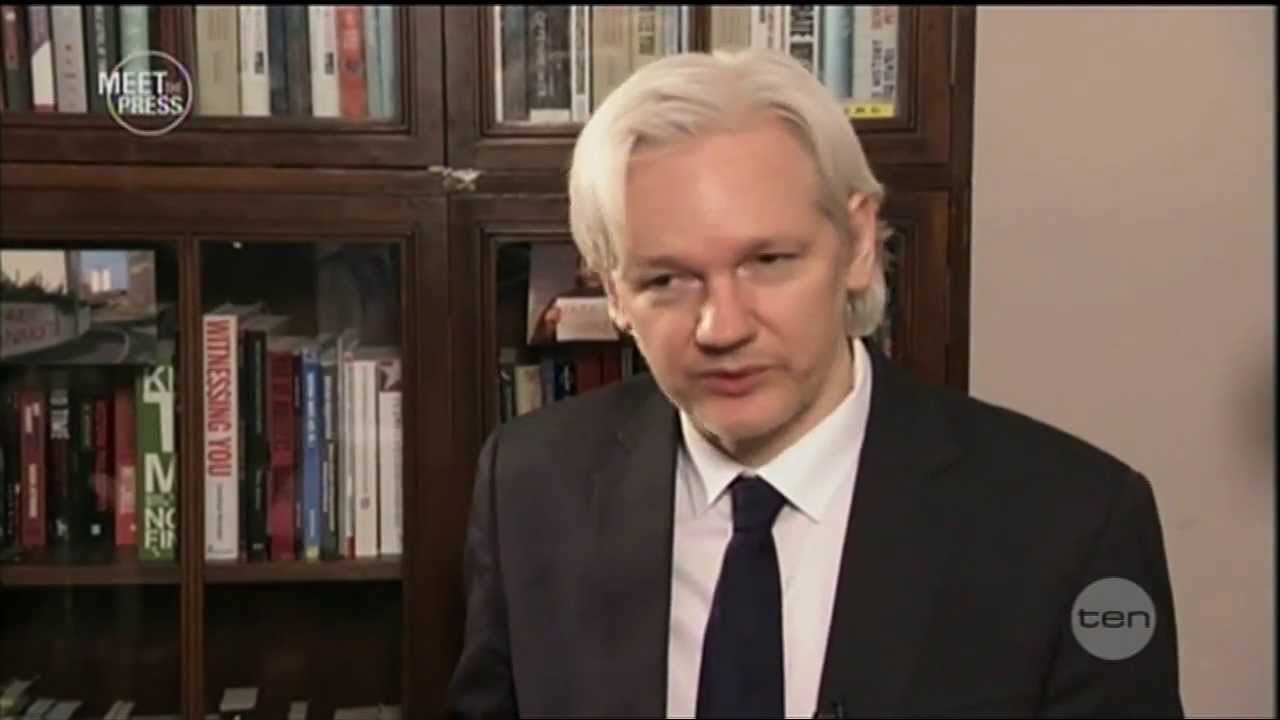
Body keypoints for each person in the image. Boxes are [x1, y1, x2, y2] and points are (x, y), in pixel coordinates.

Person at [447, 48, 1184, 719]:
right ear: (613, 292)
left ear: (858, 244)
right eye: (666, 280)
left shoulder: (1074, 522)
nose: (722, 327)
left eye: (768, 262)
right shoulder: (528, 487)